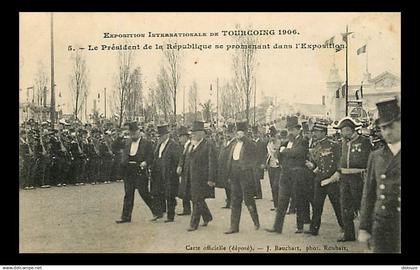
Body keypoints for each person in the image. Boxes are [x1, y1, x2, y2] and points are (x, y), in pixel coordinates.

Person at [358, 97, 401, 253]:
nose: (387, 132)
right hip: (380, 223)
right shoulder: (376, 156)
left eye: (391, 126)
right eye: (383, 128)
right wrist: (364, 227)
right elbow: (368, 194)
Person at [266, 116, 309, 234]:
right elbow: (278, 154)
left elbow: (299, 153)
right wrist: (278, 152)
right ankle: (277, 227)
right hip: (285, 174)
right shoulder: (286, 142)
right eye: (289, 130)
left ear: (298, 129)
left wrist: (284, 151)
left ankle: (300, 226)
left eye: (292, 129)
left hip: (297, 174)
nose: (290, 132)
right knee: (282, 201)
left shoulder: (303, 141)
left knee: (299, 200)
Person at [334, 116, 372, 242]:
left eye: (345, 130)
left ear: (351, 130)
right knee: (345, 206)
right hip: (345, 178)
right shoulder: (342, 143)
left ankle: (369, 232)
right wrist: (339, 170)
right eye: (342, 131)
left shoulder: (364, 141)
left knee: (362, 205)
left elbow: (371, 159)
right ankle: (349, 234)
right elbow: (339, 159)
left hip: (359, 178)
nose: (343, 133)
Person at [116, 122, 161, 223]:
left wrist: (146, 162)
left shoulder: (146, 143)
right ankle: (126, 217)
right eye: (131, 133)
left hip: (139, 169)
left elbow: (151, 156)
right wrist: (119, 137)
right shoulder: (127, 142)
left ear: (139, 132)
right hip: (128, 170)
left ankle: (157, 212)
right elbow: (114, 146)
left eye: (134, 133)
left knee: (143, 192)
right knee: (128, 194)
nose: (133, 135)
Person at [304, 120, 343, 236]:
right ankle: (314, 229)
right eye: (314, 131)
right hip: (319, 179)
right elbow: (317, 162)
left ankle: (345, 227)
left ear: (323, 132)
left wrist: (338, 172)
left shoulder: (334, 145)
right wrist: (313, 167)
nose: (315, 134)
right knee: (317, 205)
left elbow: (339, 160)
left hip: (331, 179)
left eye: (317, 131)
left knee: (337, 205)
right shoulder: (316, 145)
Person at [225, 121, 260, 234]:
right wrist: (229, 174)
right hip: (234, 175)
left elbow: (255, 154)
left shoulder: (250, 144)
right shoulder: (234, 144)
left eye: (241, 132)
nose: (238, 134)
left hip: (245, 175)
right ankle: (234, 226)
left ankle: (256, 221)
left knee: (248, 200)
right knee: (235, 200)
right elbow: (230, 159)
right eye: (237, 132)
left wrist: (245, 139)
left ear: (245, 133)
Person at [186, 121, 217, 232]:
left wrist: (211, 178)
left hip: (202, 178)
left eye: (194, 133)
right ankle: (207, 216)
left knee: (197, 199)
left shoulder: (208, 145)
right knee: (197, 198)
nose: (192, 135)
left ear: (201, 133)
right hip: (192, 176)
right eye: (192, 133)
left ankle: (194, 223)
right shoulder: (192, 145)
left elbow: (212, 162)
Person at [151, 124, 181, 223]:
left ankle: (170, 215)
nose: (158, 138)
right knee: (158, 192)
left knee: (169, 194)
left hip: (169, 173)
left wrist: (174, 172)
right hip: (158, 172)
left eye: (160, 136)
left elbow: (177, 159)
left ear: (166, 135)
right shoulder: (158, 145)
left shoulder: (173, 145)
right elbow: (156, 158)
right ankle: (159, 212)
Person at [216, 123, 236, 209]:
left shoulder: (234, 143)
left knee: (232, 185)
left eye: (229, 134)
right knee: (226, 186)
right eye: (226, 133)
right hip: (224, 167)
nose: (227, 135)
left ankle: (232, 202)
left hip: (231, 167)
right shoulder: (225, 143)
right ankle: (228, 201)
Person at [176, 126, 193, 216]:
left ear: (185, 137)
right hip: (185, 171)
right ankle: (186, 209)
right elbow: (182, 158)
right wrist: (180, 165)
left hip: (189, 172)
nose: (179, 139)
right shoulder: (184, 146)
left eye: (180, 137)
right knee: (185, 191)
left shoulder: (190, 145)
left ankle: (188, 209)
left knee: (189, 192)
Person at [266, 126, 282, 211]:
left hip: (278, 166)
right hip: (270, 166)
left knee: (276, 186)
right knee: (273, 186)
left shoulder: (279, 143)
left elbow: (278, 153)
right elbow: (268, 154)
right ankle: (276, 205)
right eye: (270, 135)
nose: (271, 137)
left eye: (273, 135)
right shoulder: (269, 144)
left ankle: (279, 205)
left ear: (276, 135)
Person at [252, 126, 267, 200]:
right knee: (252, 178)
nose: (254, 135)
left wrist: (263, 163)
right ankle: (254, 193)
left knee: (256, 178)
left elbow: (264, 154)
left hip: (258, 162)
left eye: (255, 133)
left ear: (258, 134)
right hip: (252, 163)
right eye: (253, 133)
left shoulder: (262, 143)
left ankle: (259, 194)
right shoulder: (251, 142)